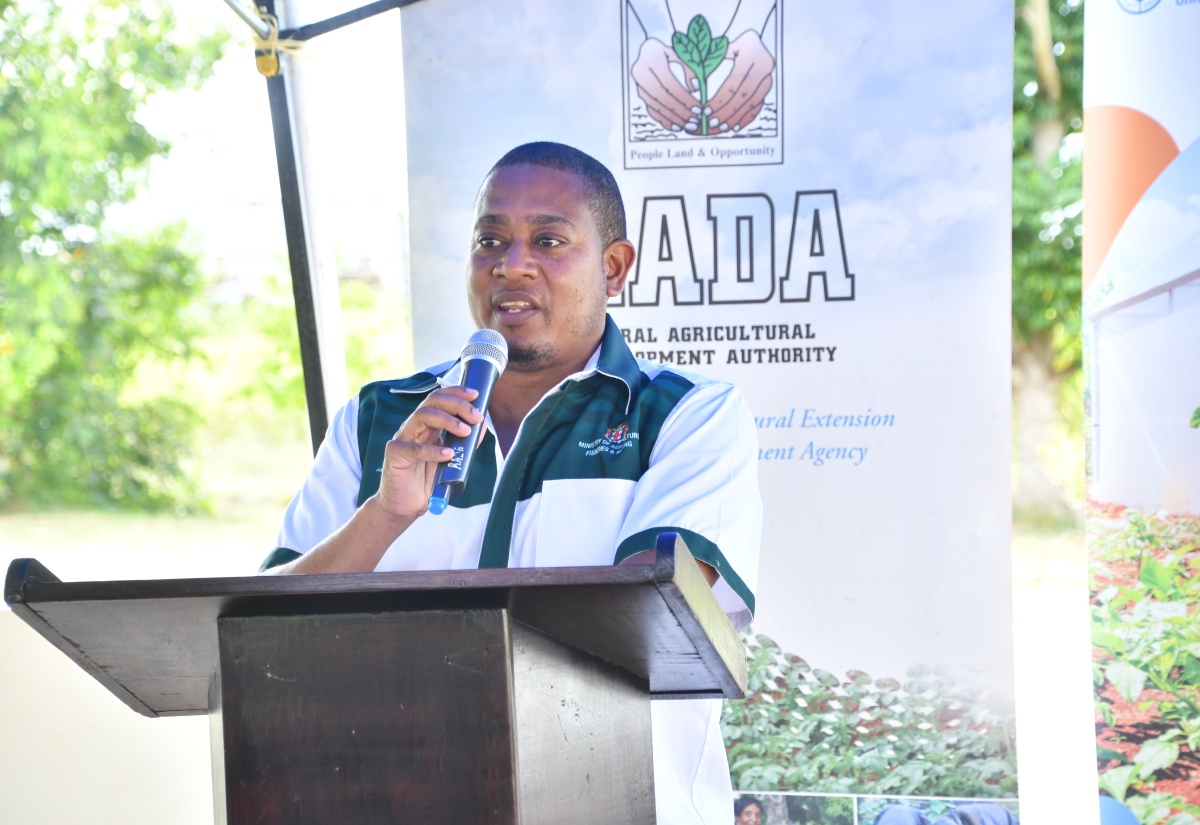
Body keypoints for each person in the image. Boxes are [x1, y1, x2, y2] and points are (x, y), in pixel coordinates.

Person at [261, 141, 762, 825]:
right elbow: (264, 639)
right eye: (489, 240)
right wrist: (385, 513)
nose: (511, 264)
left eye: (548, 240)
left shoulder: (684, 413)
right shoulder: (376, 419)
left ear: (614, 268)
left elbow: (654, 620)